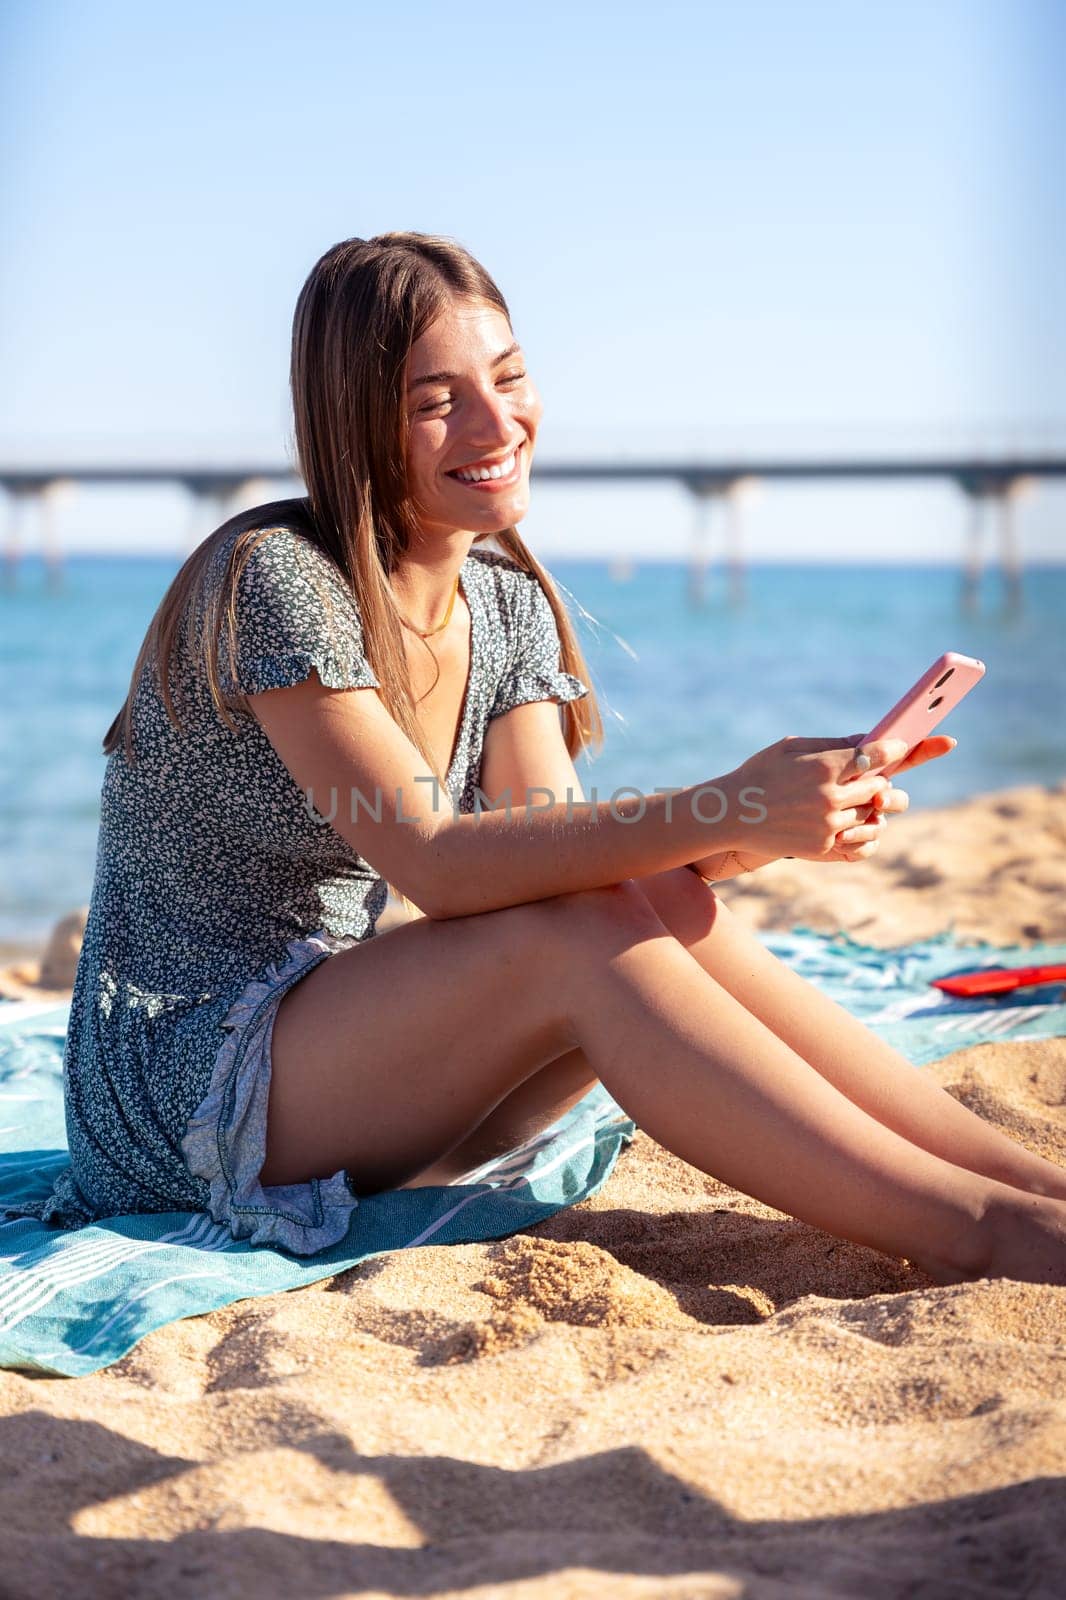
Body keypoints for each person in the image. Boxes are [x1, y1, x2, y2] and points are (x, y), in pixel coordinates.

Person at [11, 231, 1066, 1284]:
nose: (495, 422)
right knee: (594, 930)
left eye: (509, 378)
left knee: (648, 908)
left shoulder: (504, 602)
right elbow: (435, 862)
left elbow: (562, 869)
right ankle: (988, 1233)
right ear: (354, 427)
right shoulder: (277, 578)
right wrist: (729, 799)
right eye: (437, 402)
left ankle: (1026, 1190)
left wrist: (760, 828)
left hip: (362, 1071)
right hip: (186, 1090)